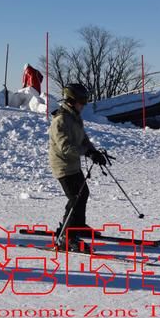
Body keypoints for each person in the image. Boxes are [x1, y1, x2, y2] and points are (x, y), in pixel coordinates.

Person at [48, 83, 107, 252]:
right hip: (62, 165)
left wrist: (93, 151)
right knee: (75, 198)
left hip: (72, 163)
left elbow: (82, 138)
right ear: (72, 100)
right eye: (82, 101)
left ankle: (78, 225)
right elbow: (65, 147)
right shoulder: (60, 120)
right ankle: (67, 237)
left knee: (83, 193)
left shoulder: (74, 116)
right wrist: (87, 154)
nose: (84, 104)